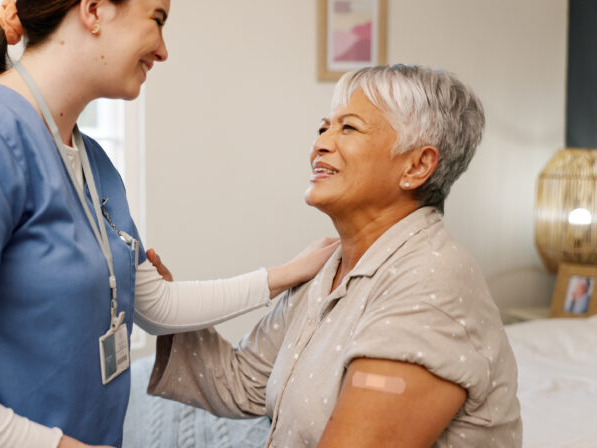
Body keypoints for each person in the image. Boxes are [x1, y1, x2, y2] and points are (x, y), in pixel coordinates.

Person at [0, 0, 338, 447]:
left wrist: (285, 274)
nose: (164, 50)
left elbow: (155, 305)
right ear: (93, 10)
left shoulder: (91, 160)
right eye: (157, 19)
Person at [146, 64, 523, 447]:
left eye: (349, 128)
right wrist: (159, 300)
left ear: (417, 165)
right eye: (323, 127)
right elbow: (242, 382)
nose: (321, 144)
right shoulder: (328, 269)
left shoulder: (432, 279)